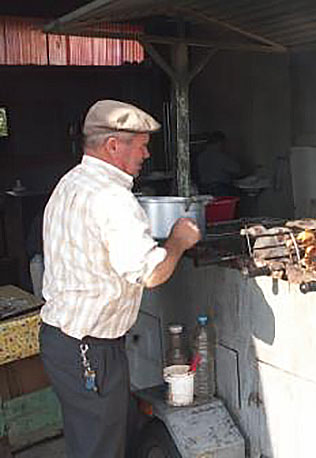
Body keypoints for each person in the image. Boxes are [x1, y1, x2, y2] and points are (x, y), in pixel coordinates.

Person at [39, 100, 201, 458]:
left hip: (65, 341)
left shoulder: (71, 183)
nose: (146, 153)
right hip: (89, 350)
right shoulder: (112, 197)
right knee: (99, 448)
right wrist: (178, 241)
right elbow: (152, 273)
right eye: (141, 145)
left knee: (103, 438)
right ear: (114, 145)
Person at [192, 130, 242, 196]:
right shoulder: (220, 156)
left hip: (204, 189)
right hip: (220, 189)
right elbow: (236, 170)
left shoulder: (201, 156)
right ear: (219, 142)